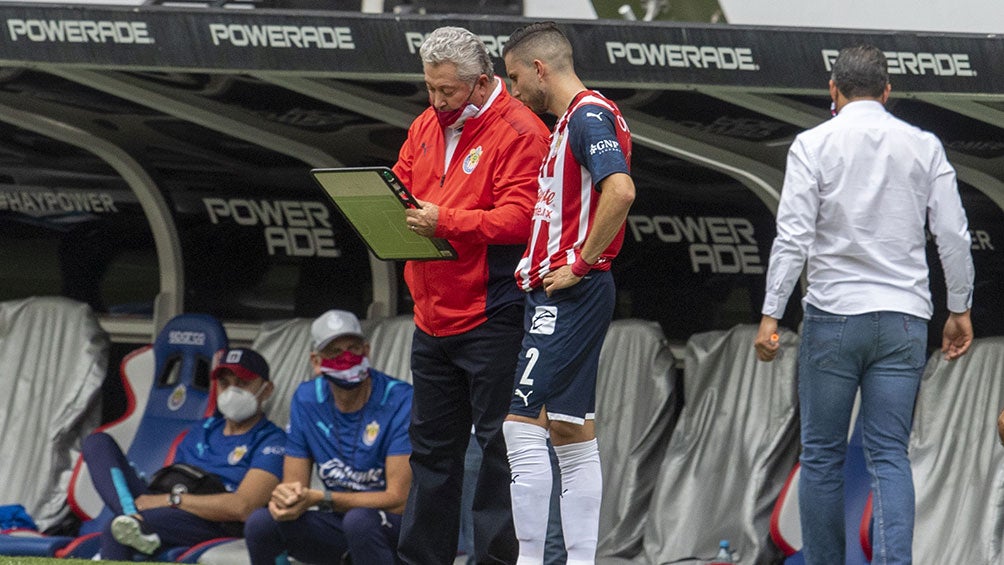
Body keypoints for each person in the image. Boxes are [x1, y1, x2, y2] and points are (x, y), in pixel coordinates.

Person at [753, 44, 975, 565]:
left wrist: (770, 314)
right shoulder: (924, 146)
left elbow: (792, 238)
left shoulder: (812, 144)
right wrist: (959, 308)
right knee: (890, 457)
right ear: (888, 91)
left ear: (833, 90)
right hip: (903, 319)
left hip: (833, 317)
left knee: (822, 457)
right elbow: (954, 236)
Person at [392, 25, 550, 565]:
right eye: (430, 89)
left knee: (500, 456)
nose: (435, 102)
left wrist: (447, 221)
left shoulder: (522, 131)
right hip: (431, 317)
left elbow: (523, 218)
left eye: (447, 92)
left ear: (481, 83)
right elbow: (400, 188)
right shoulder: (424, 125)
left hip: (493, 316)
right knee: (431, 457)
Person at [501, 21, 636, 565]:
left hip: (568, 293)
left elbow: (621, 190)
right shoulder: (571, 121)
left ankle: (530, 559)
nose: (511, 92)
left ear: (539, 69)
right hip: (567, 291)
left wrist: (579, 264)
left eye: (513, 78)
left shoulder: (587, 117)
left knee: (519, 426)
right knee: (570, 432)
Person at [244, 309, 412, 565]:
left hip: (394, 527)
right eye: (334, 352)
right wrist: (287, 500)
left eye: (354, 349)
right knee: (262, 522)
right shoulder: (306, 398)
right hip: (341, 520)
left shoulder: (400, 398)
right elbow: (294, 485)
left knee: (360, 520)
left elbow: (398, 500)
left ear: (367, 352)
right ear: (316, 361)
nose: (347, 358)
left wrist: (324, 498)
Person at [82, 348, 285, 560]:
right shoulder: (202, 429)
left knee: (115, 531)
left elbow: (243, 507)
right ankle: (130, 515)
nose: (232, 391)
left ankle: (131, 523)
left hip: (213, 522)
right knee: (97, 443)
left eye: (242, 383)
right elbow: (175, 476)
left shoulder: (272, 440)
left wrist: (172, 500)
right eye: (225, 383)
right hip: (169, 505)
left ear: (267, 389)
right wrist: (163, 500)